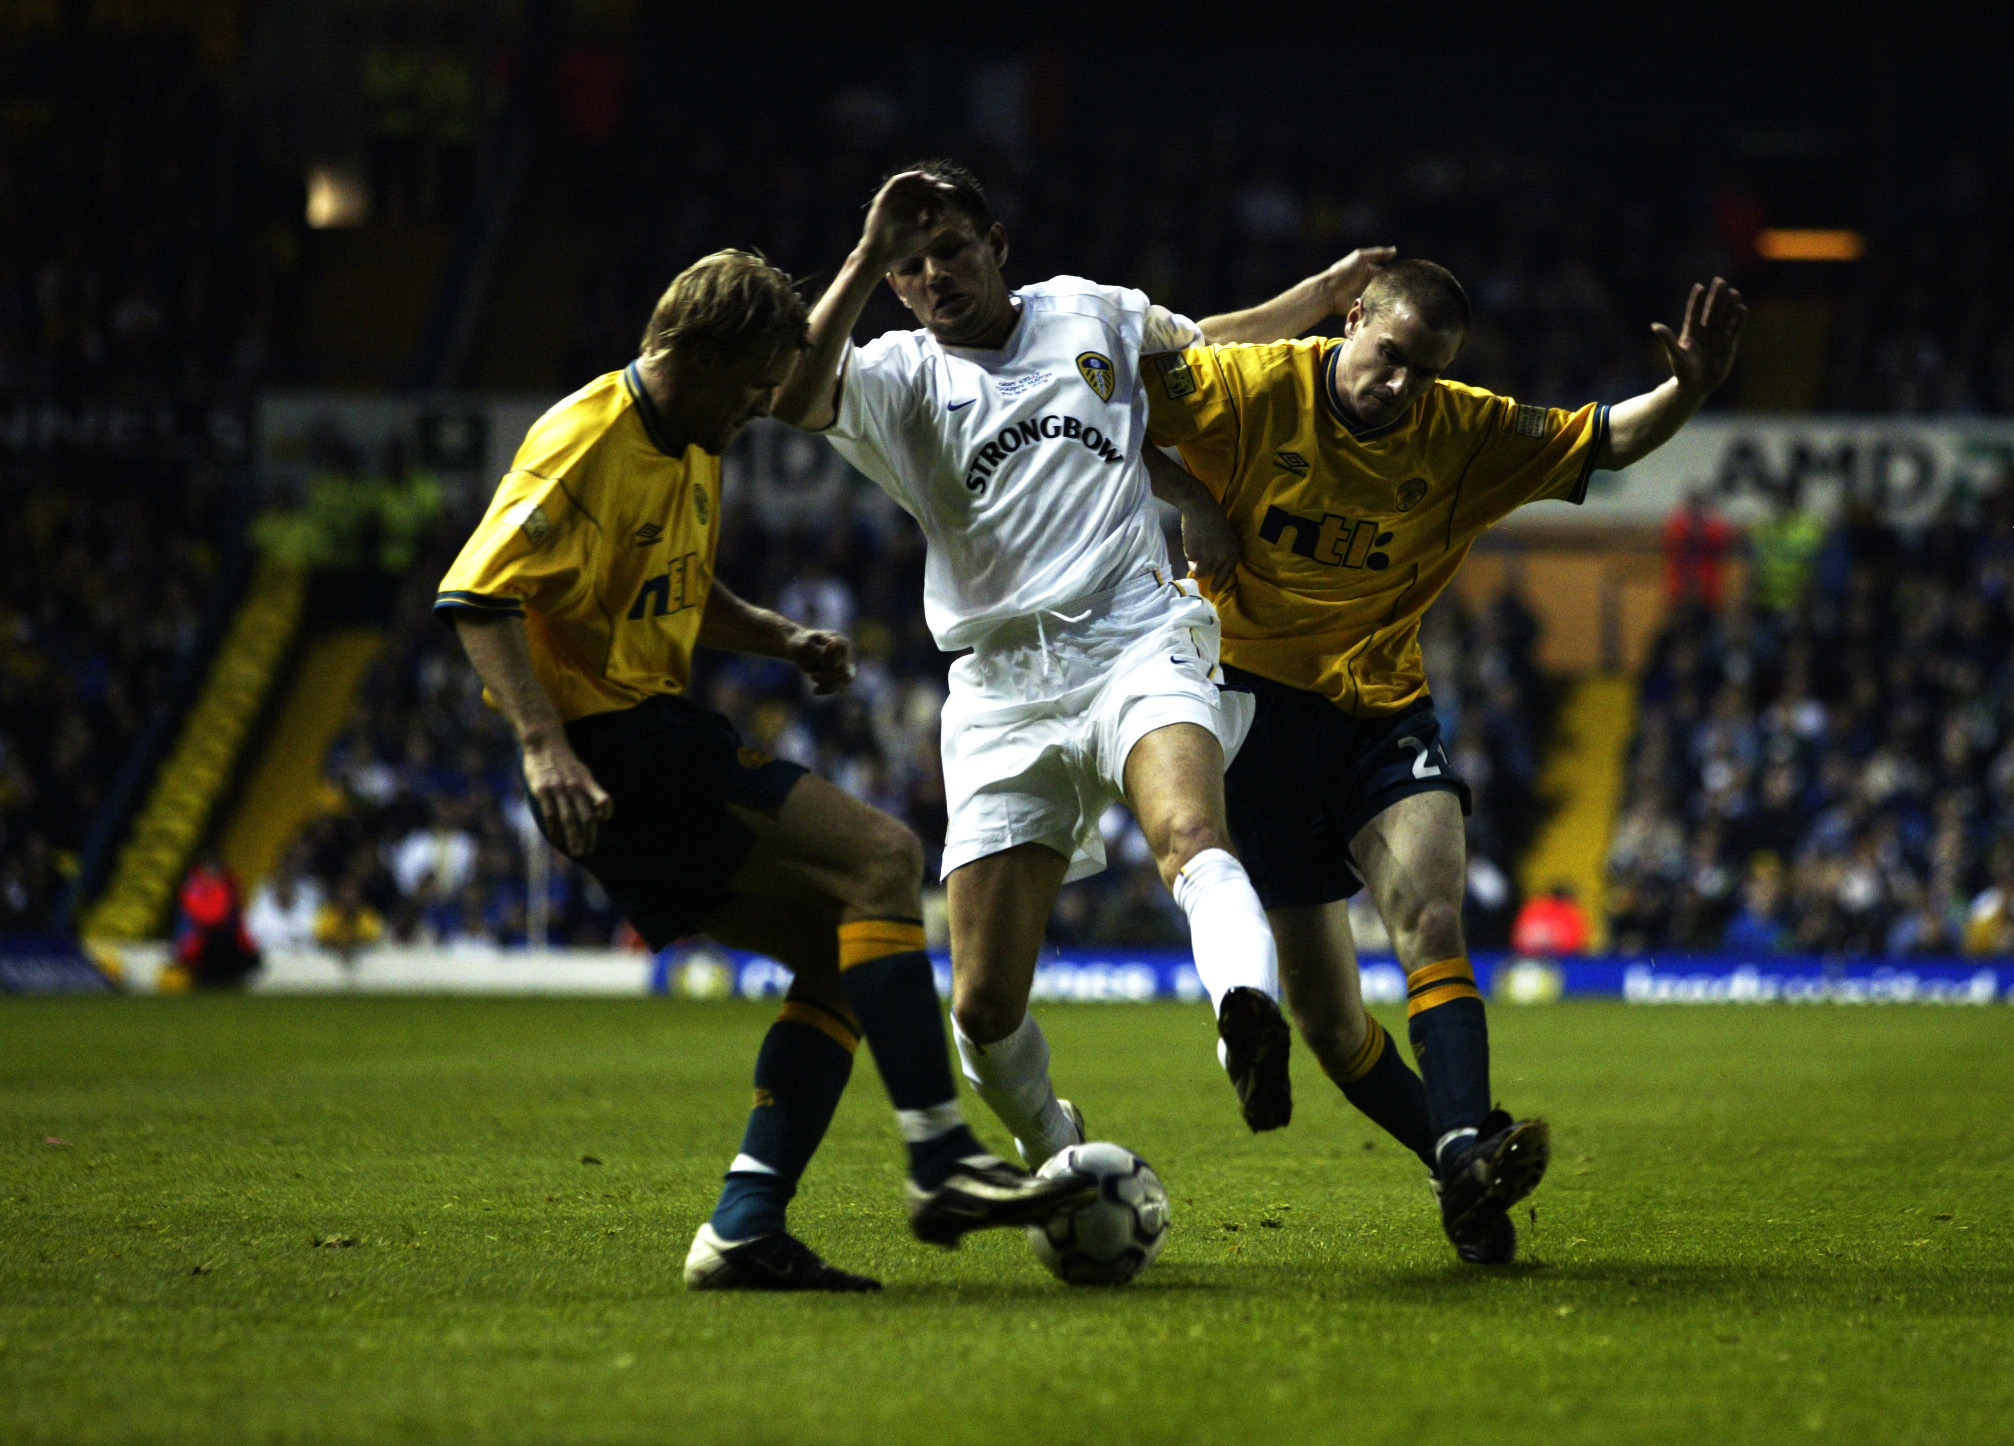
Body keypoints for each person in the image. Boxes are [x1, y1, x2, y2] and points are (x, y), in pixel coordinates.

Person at [434, 249, 1093, 1294]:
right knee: (882, 857)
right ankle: (941, 1159)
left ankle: (743, 1225)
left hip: (631, 745)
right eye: (748, 384)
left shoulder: (691, 435)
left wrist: (779, 637)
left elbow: (677, 589)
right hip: (614, 747)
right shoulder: (587, 437)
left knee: (841, 949)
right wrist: (543, 743)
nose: (755, 407)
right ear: (694, 353)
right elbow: (477, 596)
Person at [772, 160, 1395, 1159]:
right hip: (999, 689)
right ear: (893, 281)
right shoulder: (892, 376)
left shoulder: (1085, 313)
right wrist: (862, 253)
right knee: (979, 1006)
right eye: (913, 263)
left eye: (952, 250)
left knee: (1191, 831)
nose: (936, 275)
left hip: (1133, 638)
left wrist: (1318, 300)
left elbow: (1205, 351)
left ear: (997, 246)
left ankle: (1245, 1015)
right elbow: (794, 394)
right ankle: (1053, 1145)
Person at [1145, 258, 1746, 1263]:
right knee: (1333, 1027)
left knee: (1429, 914)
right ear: (1352, 322)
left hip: (1380, 712)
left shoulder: (1465, 431)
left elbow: (1609, 435)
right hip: (1247, 719)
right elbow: (1109, 387)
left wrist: (1689, 386)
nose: (1403, 386)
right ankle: (1461, 1166)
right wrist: (1187, 495)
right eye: (1389, 358)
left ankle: (1463, 1144)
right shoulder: (1256, 387)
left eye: (1425, 371)